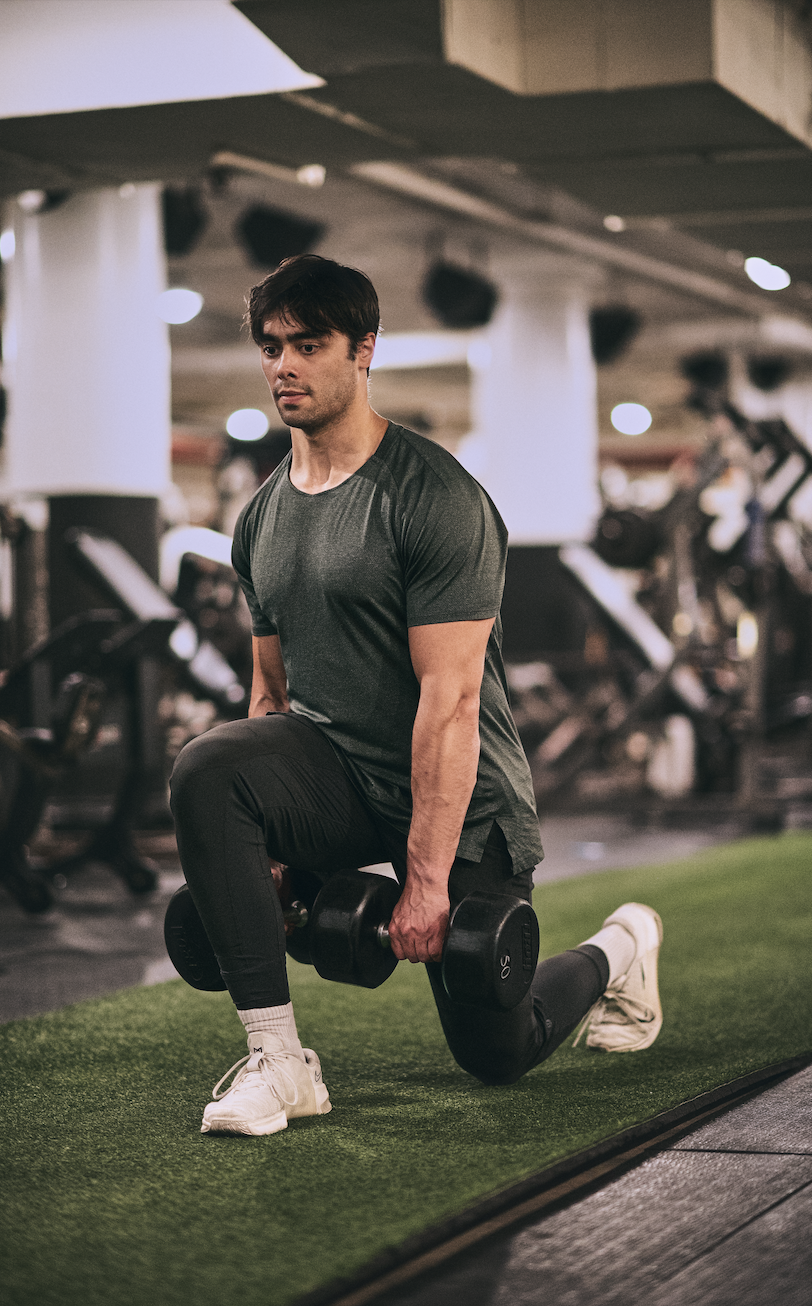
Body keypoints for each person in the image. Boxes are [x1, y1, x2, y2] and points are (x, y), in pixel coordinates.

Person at [169, 254, 663, 1137]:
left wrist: (427, 881)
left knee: (498, 1052)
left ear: (364, 352)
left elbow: (451, 704)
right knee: (209, 770)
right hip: (339, 777)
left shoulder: (435, 498)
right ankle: (279, 1063)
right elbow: (271, 696)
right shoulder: (261, 518)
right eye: (272, 347)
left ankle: (620, 948)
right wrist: (268, 844)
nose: (284, 365)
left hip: (458, 796)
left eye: (308, 345)